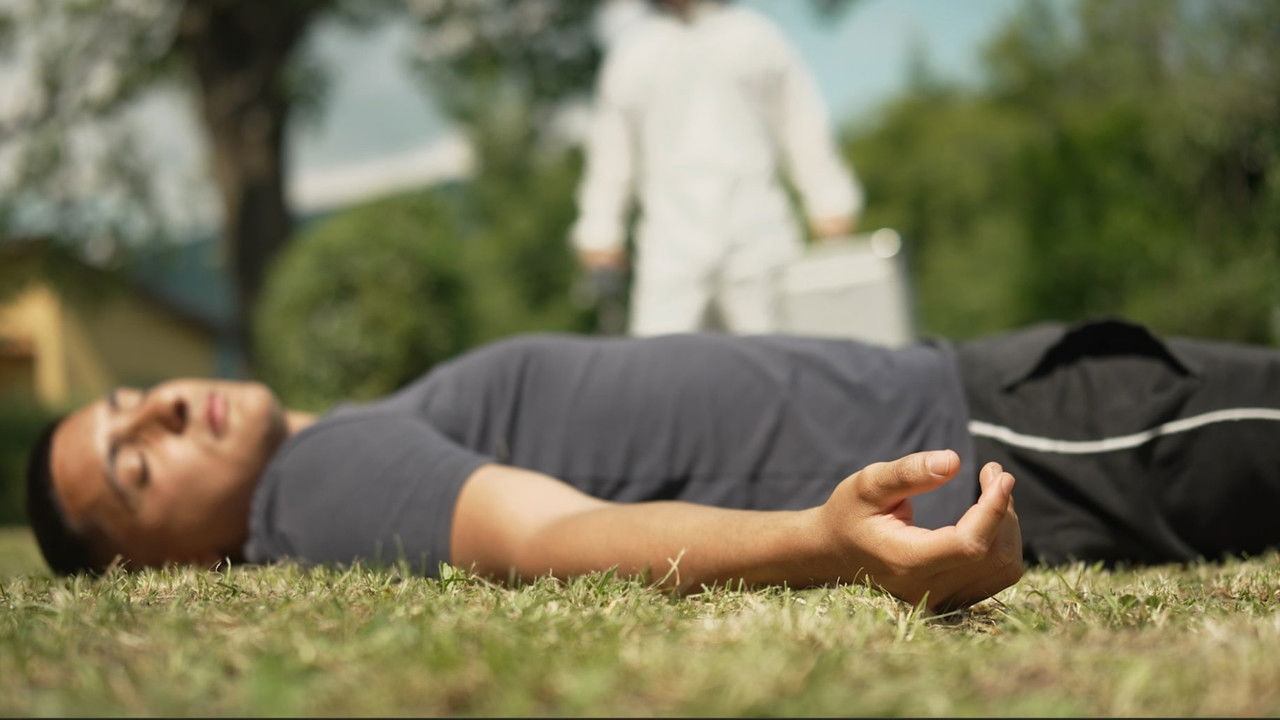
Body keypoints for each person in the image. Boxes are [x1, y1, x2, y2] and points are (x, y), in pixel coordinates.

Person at [25, 318, 1280, 613]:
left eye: (128, 402)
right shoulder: (319, 484)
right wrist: (824, 539)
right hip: (1004, 440)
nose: (156, 416)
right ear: (158, 563)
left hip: (991, 408)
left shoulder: (331, 443)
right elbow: (542, 539)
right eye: (129, 472)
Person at [571, 0, 862, 336]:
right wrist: (600, 229)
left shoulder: (755, 36)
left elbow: (802, 124)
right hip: (669, 244)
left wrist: (830, 200)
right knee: (660, 367)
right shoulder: (633, 53)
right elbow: (612, 154)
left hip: (757, 233)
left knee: (772, 359)